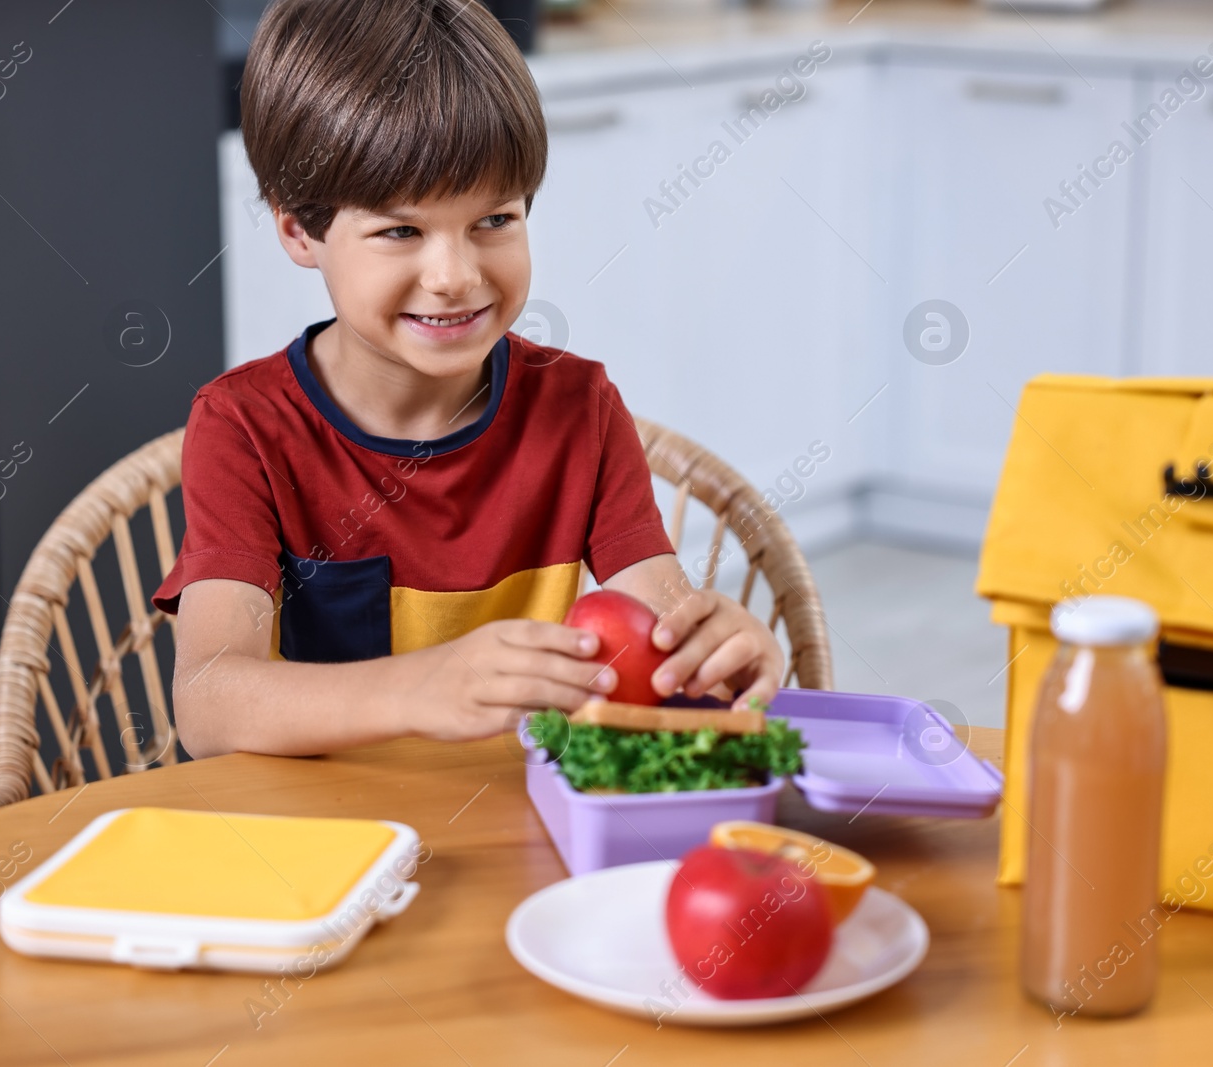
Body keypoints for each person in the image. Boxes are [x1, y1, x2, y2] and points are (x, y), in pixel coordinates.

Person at [152, 0, 783, 759]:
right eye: (401, 231)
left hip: (516, 828)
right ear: (299, 229)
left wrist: (718, 658)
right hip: (319, 847)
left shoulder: (580, 410)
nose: (455, 276)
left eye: (495, 220)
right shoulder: (243, 427)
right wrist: (422, 686)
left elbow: (666, 641)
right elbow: (210, 700)